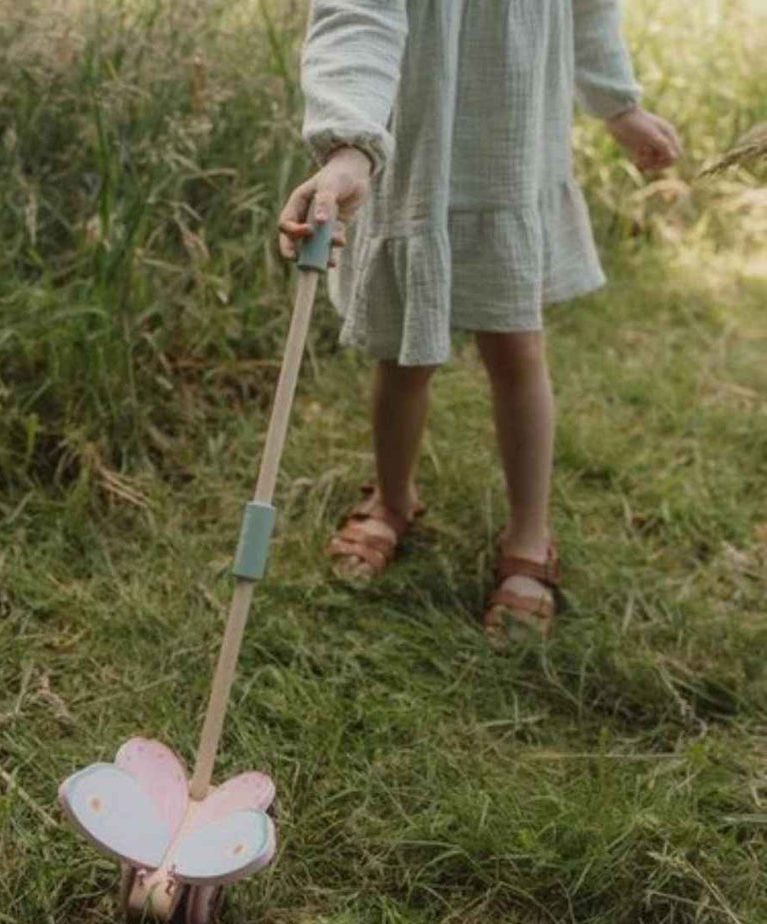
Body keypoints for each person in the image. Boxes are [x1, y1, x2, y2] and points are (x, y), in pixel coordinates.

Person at [278, 0, 681, 638]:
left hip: (511, 157)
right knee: (406, 355)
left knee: (517, 353)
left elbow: (590, 10)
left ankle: (528, 533)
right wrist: (348, 146)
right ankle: (391, 499)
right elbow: (360, 16)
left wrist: (620, 107)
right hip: (415, 156)